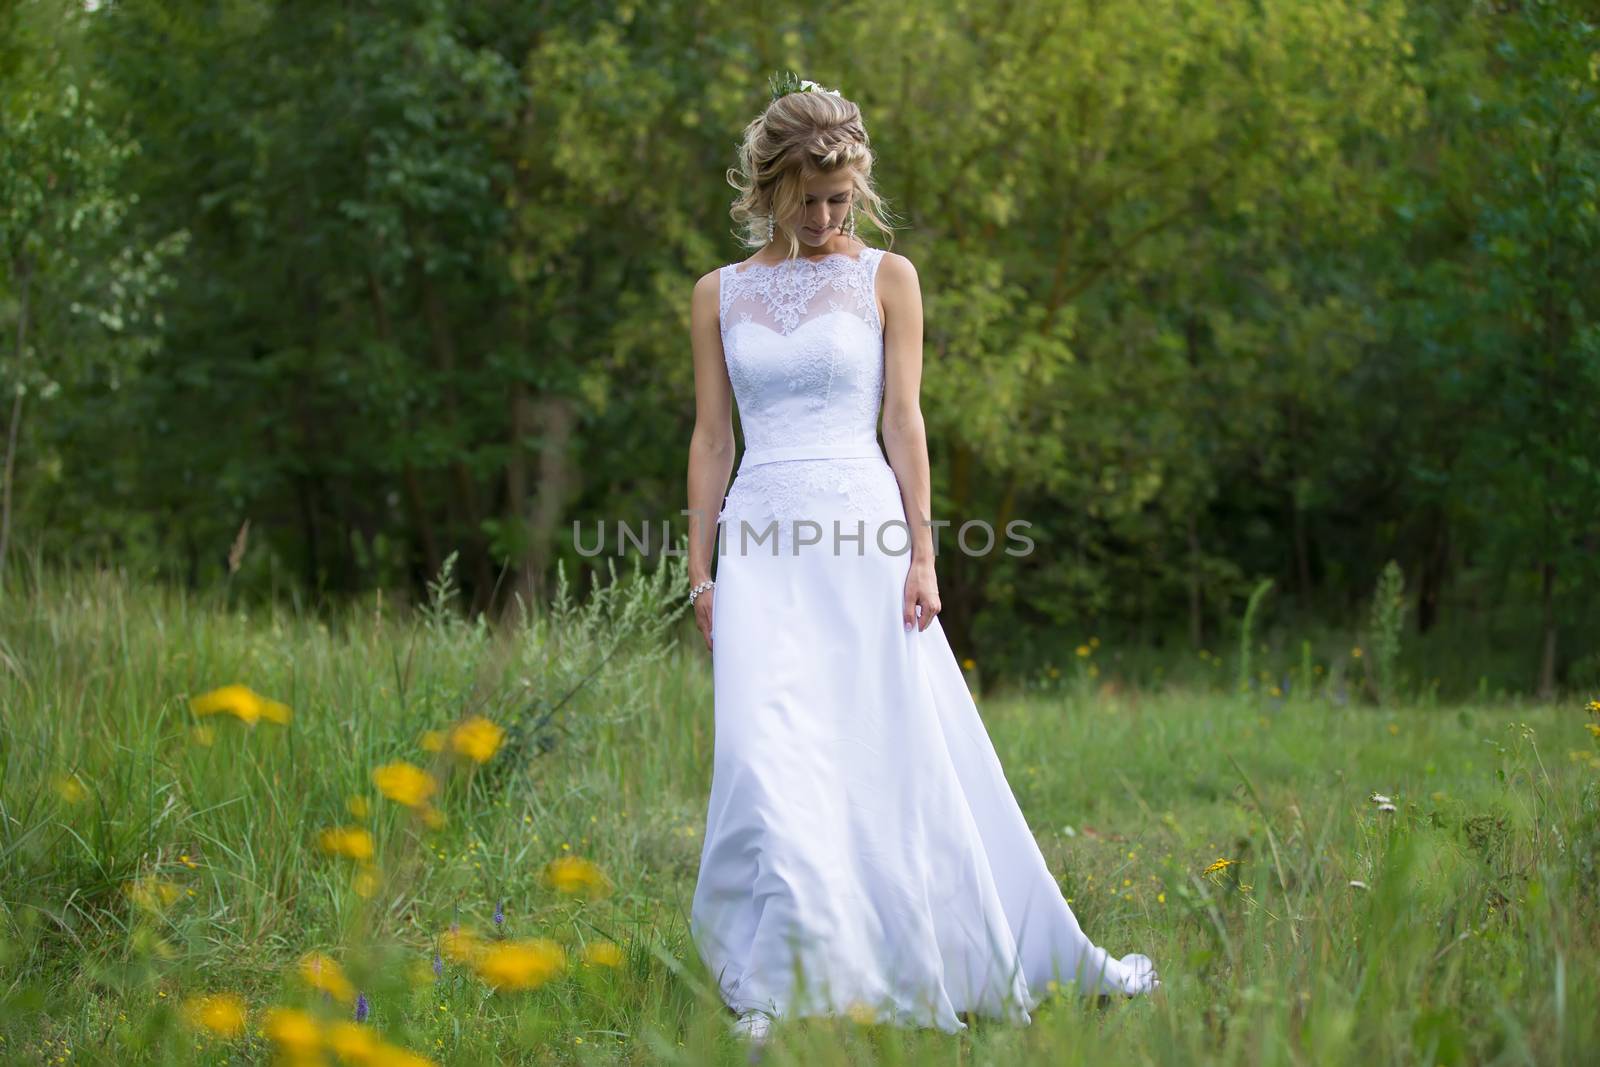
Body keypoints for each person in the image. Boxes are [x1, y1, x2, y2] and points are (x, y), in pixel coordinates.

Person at [683, 74, 1159, 1045]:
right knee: (760, 755)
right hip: (763, 539)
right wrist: (702, 569)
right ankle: (774, 975)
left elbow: (904, 422)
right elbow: (709, 440)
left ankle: (870, 964)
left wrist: (923, 556)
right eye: (806, 199)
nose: (823, 216)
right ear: (769, 189)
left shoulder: (886, 278)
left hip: (864, 534)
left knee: (878, 746)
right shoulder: (716, 295)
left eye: (839, 197)